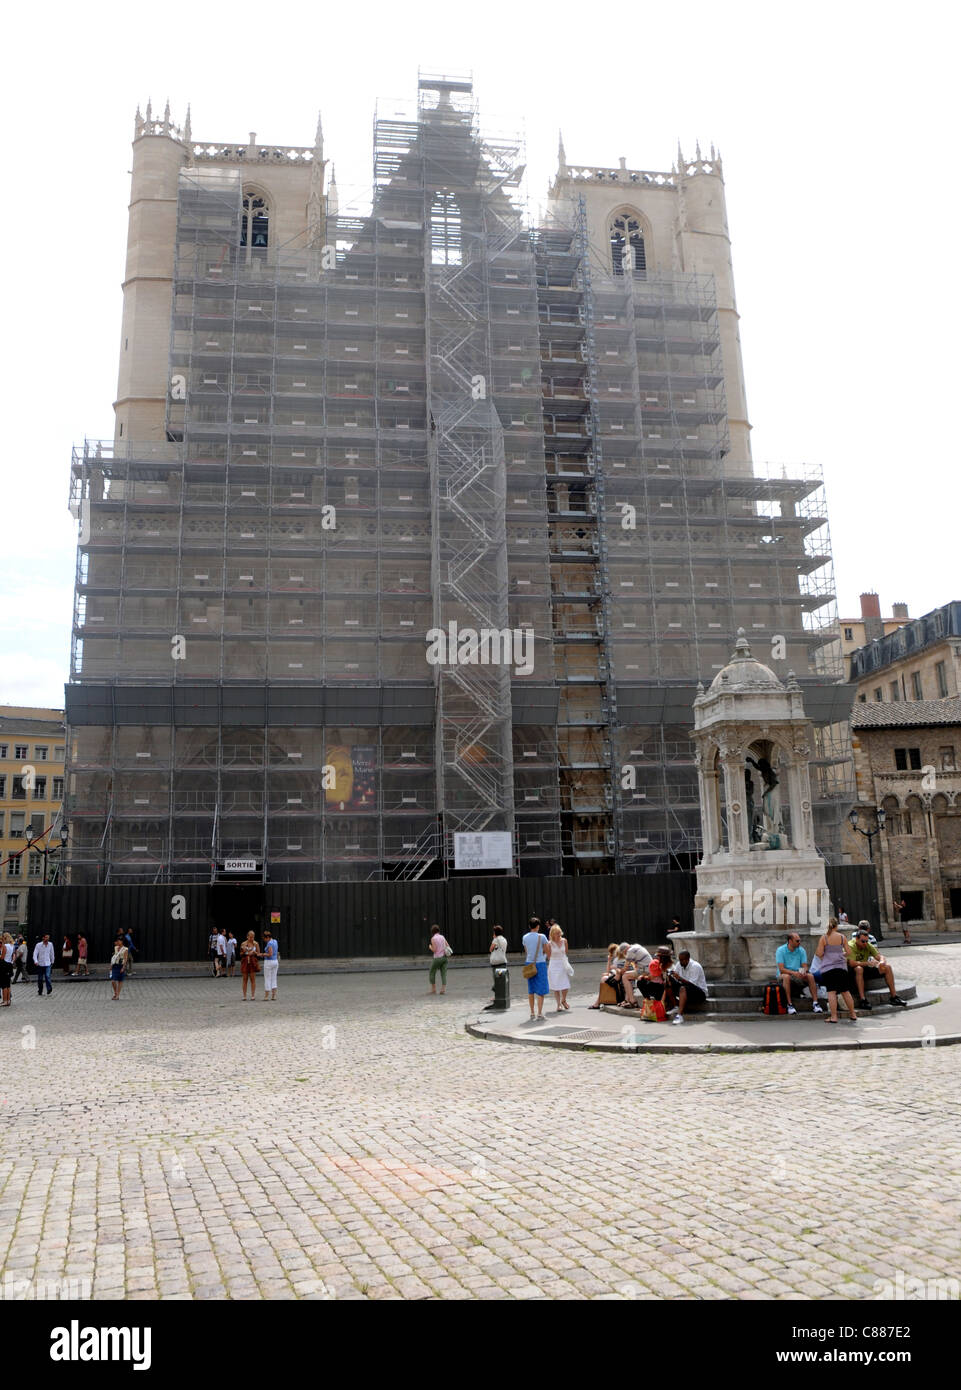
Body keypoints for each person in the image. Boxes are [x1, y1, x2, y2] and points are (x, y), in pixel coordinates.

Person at [849, 922, 906, 1009]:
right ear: (856, 939)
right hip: (852, 971)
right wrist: (867, 963)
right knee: (859, 969)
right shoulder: (851, 945)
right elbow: (852, 963)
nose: (865, 943)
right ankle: (863, 1000)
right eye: (863, 941)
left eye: (866, 941)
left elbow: (880, 956)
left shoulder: (867, 945)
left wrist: (882, 962)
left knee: (887, 967)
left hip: (866, 968)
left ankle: (894, 997)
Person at [815, 917, 858, 1023]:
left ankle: (834, 1017)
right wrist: (840, 954)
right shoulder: (842, 937)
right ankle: (853, 1014)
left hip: (829, 968)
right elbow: (848, 952)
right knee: (845, 991)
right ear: (836, 926)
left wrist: (827, 955)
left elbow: (819, 953)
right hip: (841, 968)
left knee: (831, 992)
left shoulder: (824, 938)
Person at [774, 932, 823, 1015]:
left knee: (810, 976)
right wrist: (794, 973)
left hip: (797, 973)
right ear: (790, 941)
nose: (799, 942)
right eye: (797, 941)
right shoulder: (780, 950)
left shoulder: (801, 950)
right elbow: (781, 969)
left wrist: (803, 972)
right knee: (786, 977)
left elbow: (804, 966)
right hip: (784, 974)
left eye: (799, 940)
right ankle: (789, 1005)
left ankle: (815, 1003)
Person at [667, 950, 709, 1025]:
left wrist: (679, 978)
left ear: (688, 959)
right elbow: (676, 977)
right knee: (668, 982)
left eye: (682, 960)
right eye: (679, 960)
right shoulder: (679, 964)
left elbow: (691, 985)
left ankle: (679, 1015)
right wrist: (671, 975)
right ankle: (676, 1006)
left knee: (683, 988)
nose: (680, 962)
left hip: (699, 994)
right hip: (686, 990)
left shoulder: (695, 966)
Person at [521, 918, 549, 1020]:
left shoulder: (525, 937)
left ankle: (532, 1012)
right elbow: (546, 950)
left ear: (529, 926)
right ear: (538, 926)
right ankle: (540, 1013)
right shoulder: (542, 937)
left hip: (529, 963)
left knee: (531, 989)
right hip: (540, 963)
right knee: (541, 989)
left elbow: (526, 951)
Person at [590, 942, 625, 1008]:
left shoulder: (617, 959)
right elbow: (609, 971)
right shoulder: (618, 958)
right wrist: (609, 960)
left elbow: (610, 971)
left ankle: (598, 1001)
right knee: (604, 977)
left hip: (618, 975)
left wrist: (611, 966)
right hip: (617, 974)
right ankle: (599, 1000)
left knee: (603, 979)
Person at [546, 922, 572, 1012]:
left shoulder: (564, 941)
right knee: (556, 986)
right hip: (554, 964)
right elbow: (549, 957)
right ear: (552, 934)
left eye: (559, 932)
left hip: (563, 963)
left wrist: (564, 961)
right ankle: (558, 1004)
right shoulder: (549, 943)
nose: (558, 934)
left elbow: (566, 952)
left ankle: (563, 1000)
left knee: (565, 984)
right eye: (556, 933)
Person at [619, 942, 654, 1008]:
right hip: (648, 968)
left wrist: (619, 972)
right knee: (627, 977)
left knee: (624, 977)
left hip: (646, 970)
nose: (625, 954)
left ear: (625, 950)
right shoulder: (636, 946)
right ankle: (627, 1000)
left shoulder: (630, 951)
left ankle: (632, 1001)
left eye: (624, 953)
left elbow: (625, 967)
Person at [428, 925, 450, 995]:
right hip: (444, 958)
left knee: (432, 972)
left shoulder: (433, 938)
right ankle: (443, 989)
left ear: (432, 932)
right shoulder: (442, 937)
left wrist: (430, 947)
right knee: (443, 974)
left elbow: (434, 950)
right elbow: (448, 946)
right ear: (438, 931)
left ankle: (434, 989)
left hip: (437, 958)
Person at [240, 930, 261, 1000]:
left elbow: (258, 953)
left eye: (253, 937)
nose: (252, 939)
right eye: (250, 937)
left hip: (252, 962)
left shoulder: (256, 944)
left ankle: (253, 995)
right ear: (247, 936)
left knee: (252, 979)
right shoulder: (243, 943)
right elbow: (240, 954)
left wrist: (254, 952)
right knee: (244, 979)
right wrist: (244, 952)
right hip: (245, 961)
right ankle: (244, 996)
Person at [109, 936, 130, 1001]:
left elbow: (125, 959)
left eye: (119, 941)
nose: (118, 942)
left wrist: (123, 967)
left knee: (120, 981)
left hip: (121, 966)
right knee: (113, 980)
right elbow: (114, 957)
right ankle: (115, 992)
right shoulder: (115, 948)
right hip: (115, 965)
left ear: (122, 941)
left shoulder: (125, 949)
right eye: (117, 941)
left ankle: (117, 995)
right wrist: (111, 966)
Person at [262, 929, 279, 1001]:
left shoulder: (269, 943)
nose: (264, 940)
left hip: (269, 962)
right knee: (274, 978)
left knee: (267, 978)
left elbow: (270, 954)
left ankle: (266, 995)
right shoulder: (275, 941)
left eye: (264, 938)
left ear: (267, 937)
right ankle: (274, 995)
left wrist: (261, 954)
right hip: (275, 961)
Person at [0, 933, 14, 1007]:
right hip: (9, 965)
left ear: (5, 938)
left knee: (4, 985)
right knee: (8, 984)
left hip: (4, 965)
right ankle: (8, 1000)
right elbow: (12, 956)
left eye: (2, 938)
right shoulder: (12, 945)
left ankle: (4, 1001)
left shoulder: (5, 946)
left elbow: (2, 957)